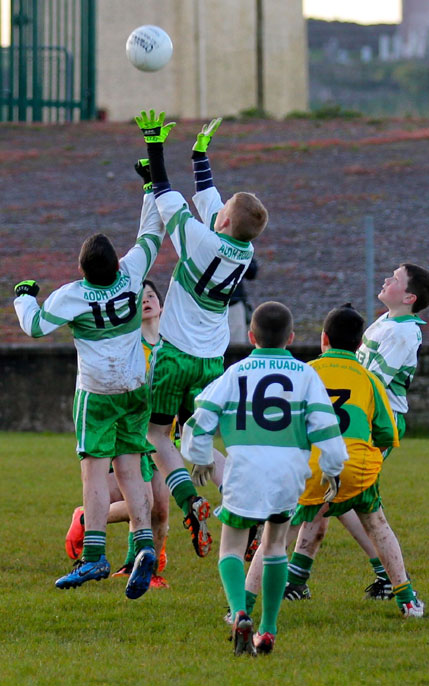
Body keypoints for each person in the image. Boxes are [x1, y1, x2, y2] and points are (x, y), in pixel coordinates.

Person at [14, 181, 165, 600]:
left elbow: (35, 326)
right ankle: (144, 548)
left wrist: (24, 297)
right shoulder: (133, 274)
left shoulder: (74, 295)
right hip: (135, 388)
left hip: (97, 392)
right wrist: (150, 190)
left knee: (95, 472)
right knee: (131, 470)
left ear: (82, 271)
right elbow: (151, 236)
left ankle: (95, 556)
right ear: (118, 265)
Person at [134, 110, 269, 558]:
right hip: (213, 360)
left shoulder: (200, 239)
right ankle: (249, 514)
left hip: (175, 353)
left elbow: (167, 197)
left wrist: (154, 144)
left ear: (224, 221)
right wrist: (199, 153)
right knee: (203, 437)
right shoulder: (242, 248)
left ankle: (189, 500)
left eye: (224, 209)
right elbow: (206, 196)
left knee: (156, 435)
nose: (218, 206)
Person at [181, 301, 348, 656]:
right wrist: (333, 467)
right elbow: (325, 424)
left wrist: (198, 457)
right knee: (274, 546)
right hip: (289, 473)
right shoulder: (306, 375)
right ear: (290, 337)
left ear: (251, 336)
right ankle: (268, 629)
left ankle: (241, 611)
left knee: (231, 547)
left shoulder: (235, 372)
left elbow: (202, 413)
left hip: (245, 471)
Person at [245, 303, 425, 618]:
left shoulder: (303, 372)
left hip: (311, 467)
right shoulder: (368, 379)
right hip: (355, 464)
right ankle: (407, 601)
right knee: (377, 525)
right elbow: (386, 432)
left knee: (277, 537)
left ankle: (241, 608)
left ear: (323, 339)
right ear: (359, 345)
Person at [285, 263, 429, 602]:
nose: (387, 280)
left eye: (395, 280)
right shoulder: (387, 321)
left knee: (339, 492)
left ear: (410, 297)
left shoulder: (404, 333)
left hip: (376, 419)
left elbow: (370, 381)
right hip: (358, 416)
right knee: (335, 491)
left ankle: (302, 578)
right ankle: (298, 579)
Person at [64, 278, 171, 589]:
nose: (148, 300)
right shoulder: (130, 346)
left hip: (163, 436)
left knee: (160, 507)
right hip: (134, 434)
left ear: (162, 305)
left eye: (152, 296)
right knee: (145, 499)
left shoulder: (171, 346)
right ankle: (90, 522)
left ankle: (141, 567)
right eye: (141, 298)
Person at [228, 257, 258, 344]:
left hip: (233, 303)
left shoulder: (238, 245)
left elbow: (252, 272)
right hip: (207, 305)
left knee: (236, 345)